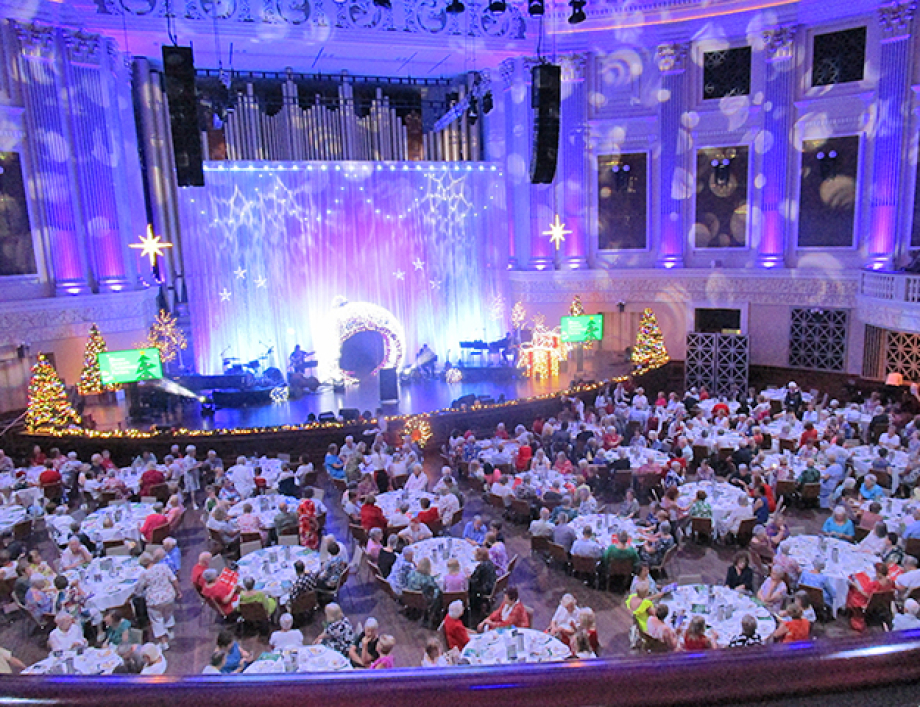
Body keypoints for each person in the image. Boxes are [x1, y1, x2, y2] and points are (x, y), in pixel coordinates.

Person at [136, 551, 180, 651]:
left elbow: (138, 589)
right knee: (168, 614)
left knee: (157, 621)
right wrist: (178, 591)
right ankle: (170, 631)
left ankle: (164, 643)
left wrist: (139, 594)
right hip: (168, 597)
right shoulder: (164, 567)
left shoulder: (144, 574)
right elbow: (174, 579)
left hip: (154, 601)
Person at [846, 562, 894, 631]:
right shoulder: (890, 582)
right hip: (882, 604)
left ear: (878, 573)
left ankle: (852, 615)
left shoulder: (875, 584)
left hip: (871, 604)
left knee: (854, 594)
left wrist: (857, 587)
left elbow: (867, 595)